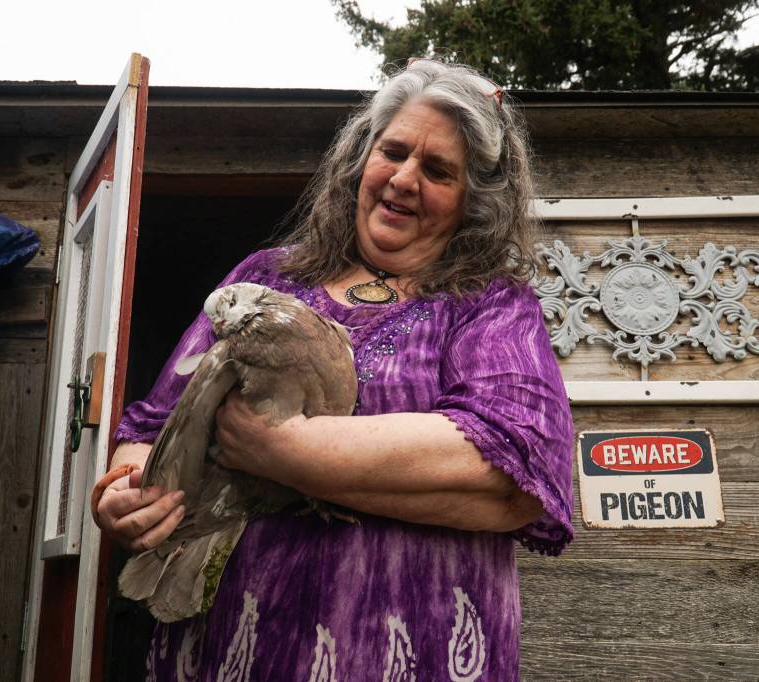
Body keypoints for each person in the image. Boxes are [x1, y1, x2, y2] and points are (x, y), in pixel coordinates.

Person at [94, 57, 574, 681]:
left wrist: (277, 448)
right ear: (360, 160)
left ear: (472, 203)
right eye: (393, 151)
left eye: (437, 171)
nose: (404, 180)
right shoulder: (267, 277)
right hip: (233, 646)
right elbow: (156, 423)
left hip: (412, 647)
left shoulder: (489, 304)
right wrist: (128, 487)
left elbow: (512, 464)